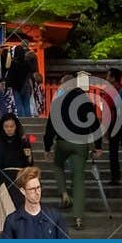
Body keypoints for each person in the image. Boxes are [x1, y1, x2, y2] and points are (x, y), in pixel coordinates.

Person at [44, 85, 91, 231]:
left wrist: (47, 147)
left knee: (58, 165)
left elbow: (50, 127)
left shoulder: (58, 102)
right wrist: (98, 145)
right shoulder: (85, 101)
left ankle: (64, 194)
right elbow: (93, 124)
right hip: (81, 143)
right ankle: (78, 218)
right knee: (78, 178)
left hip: (63, 142)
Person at [1, 165, 68, 238]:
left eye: (38, 187)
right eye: (32, 189)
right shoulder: (12, 221)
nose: (37, 192)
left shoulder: (55, 216)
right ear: (23, 191)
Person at [0, 113, 32, 216]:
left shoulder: (23, 141)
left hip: (20, 177)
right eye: (6, 126)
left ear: (16, 127)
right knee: (7, 211)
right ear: (2, 127)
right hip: (4, 178)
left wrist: (29, 157)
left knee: (21, 208)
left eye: (12, 126)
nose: (9, 129)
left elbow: (29, 164)